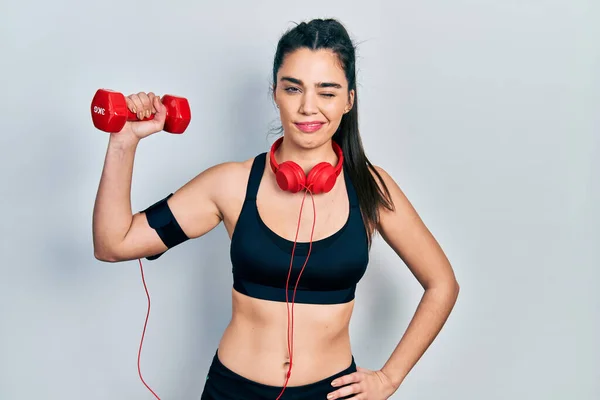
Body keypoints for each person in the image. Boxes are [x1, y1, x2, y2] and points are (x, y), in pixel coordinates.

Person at [92, 18, 460, 400]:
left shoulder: (371, 188)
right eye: (293, 88)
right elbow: (113, 243)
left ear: (350, 99)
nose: (307, 107)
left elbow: (442, 284)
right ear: (275, 93)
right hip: (233, 391)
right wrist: (124, 141)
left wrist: (389, 378)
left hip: (330, 394)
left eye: (327, 92)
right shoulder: (230, 184)